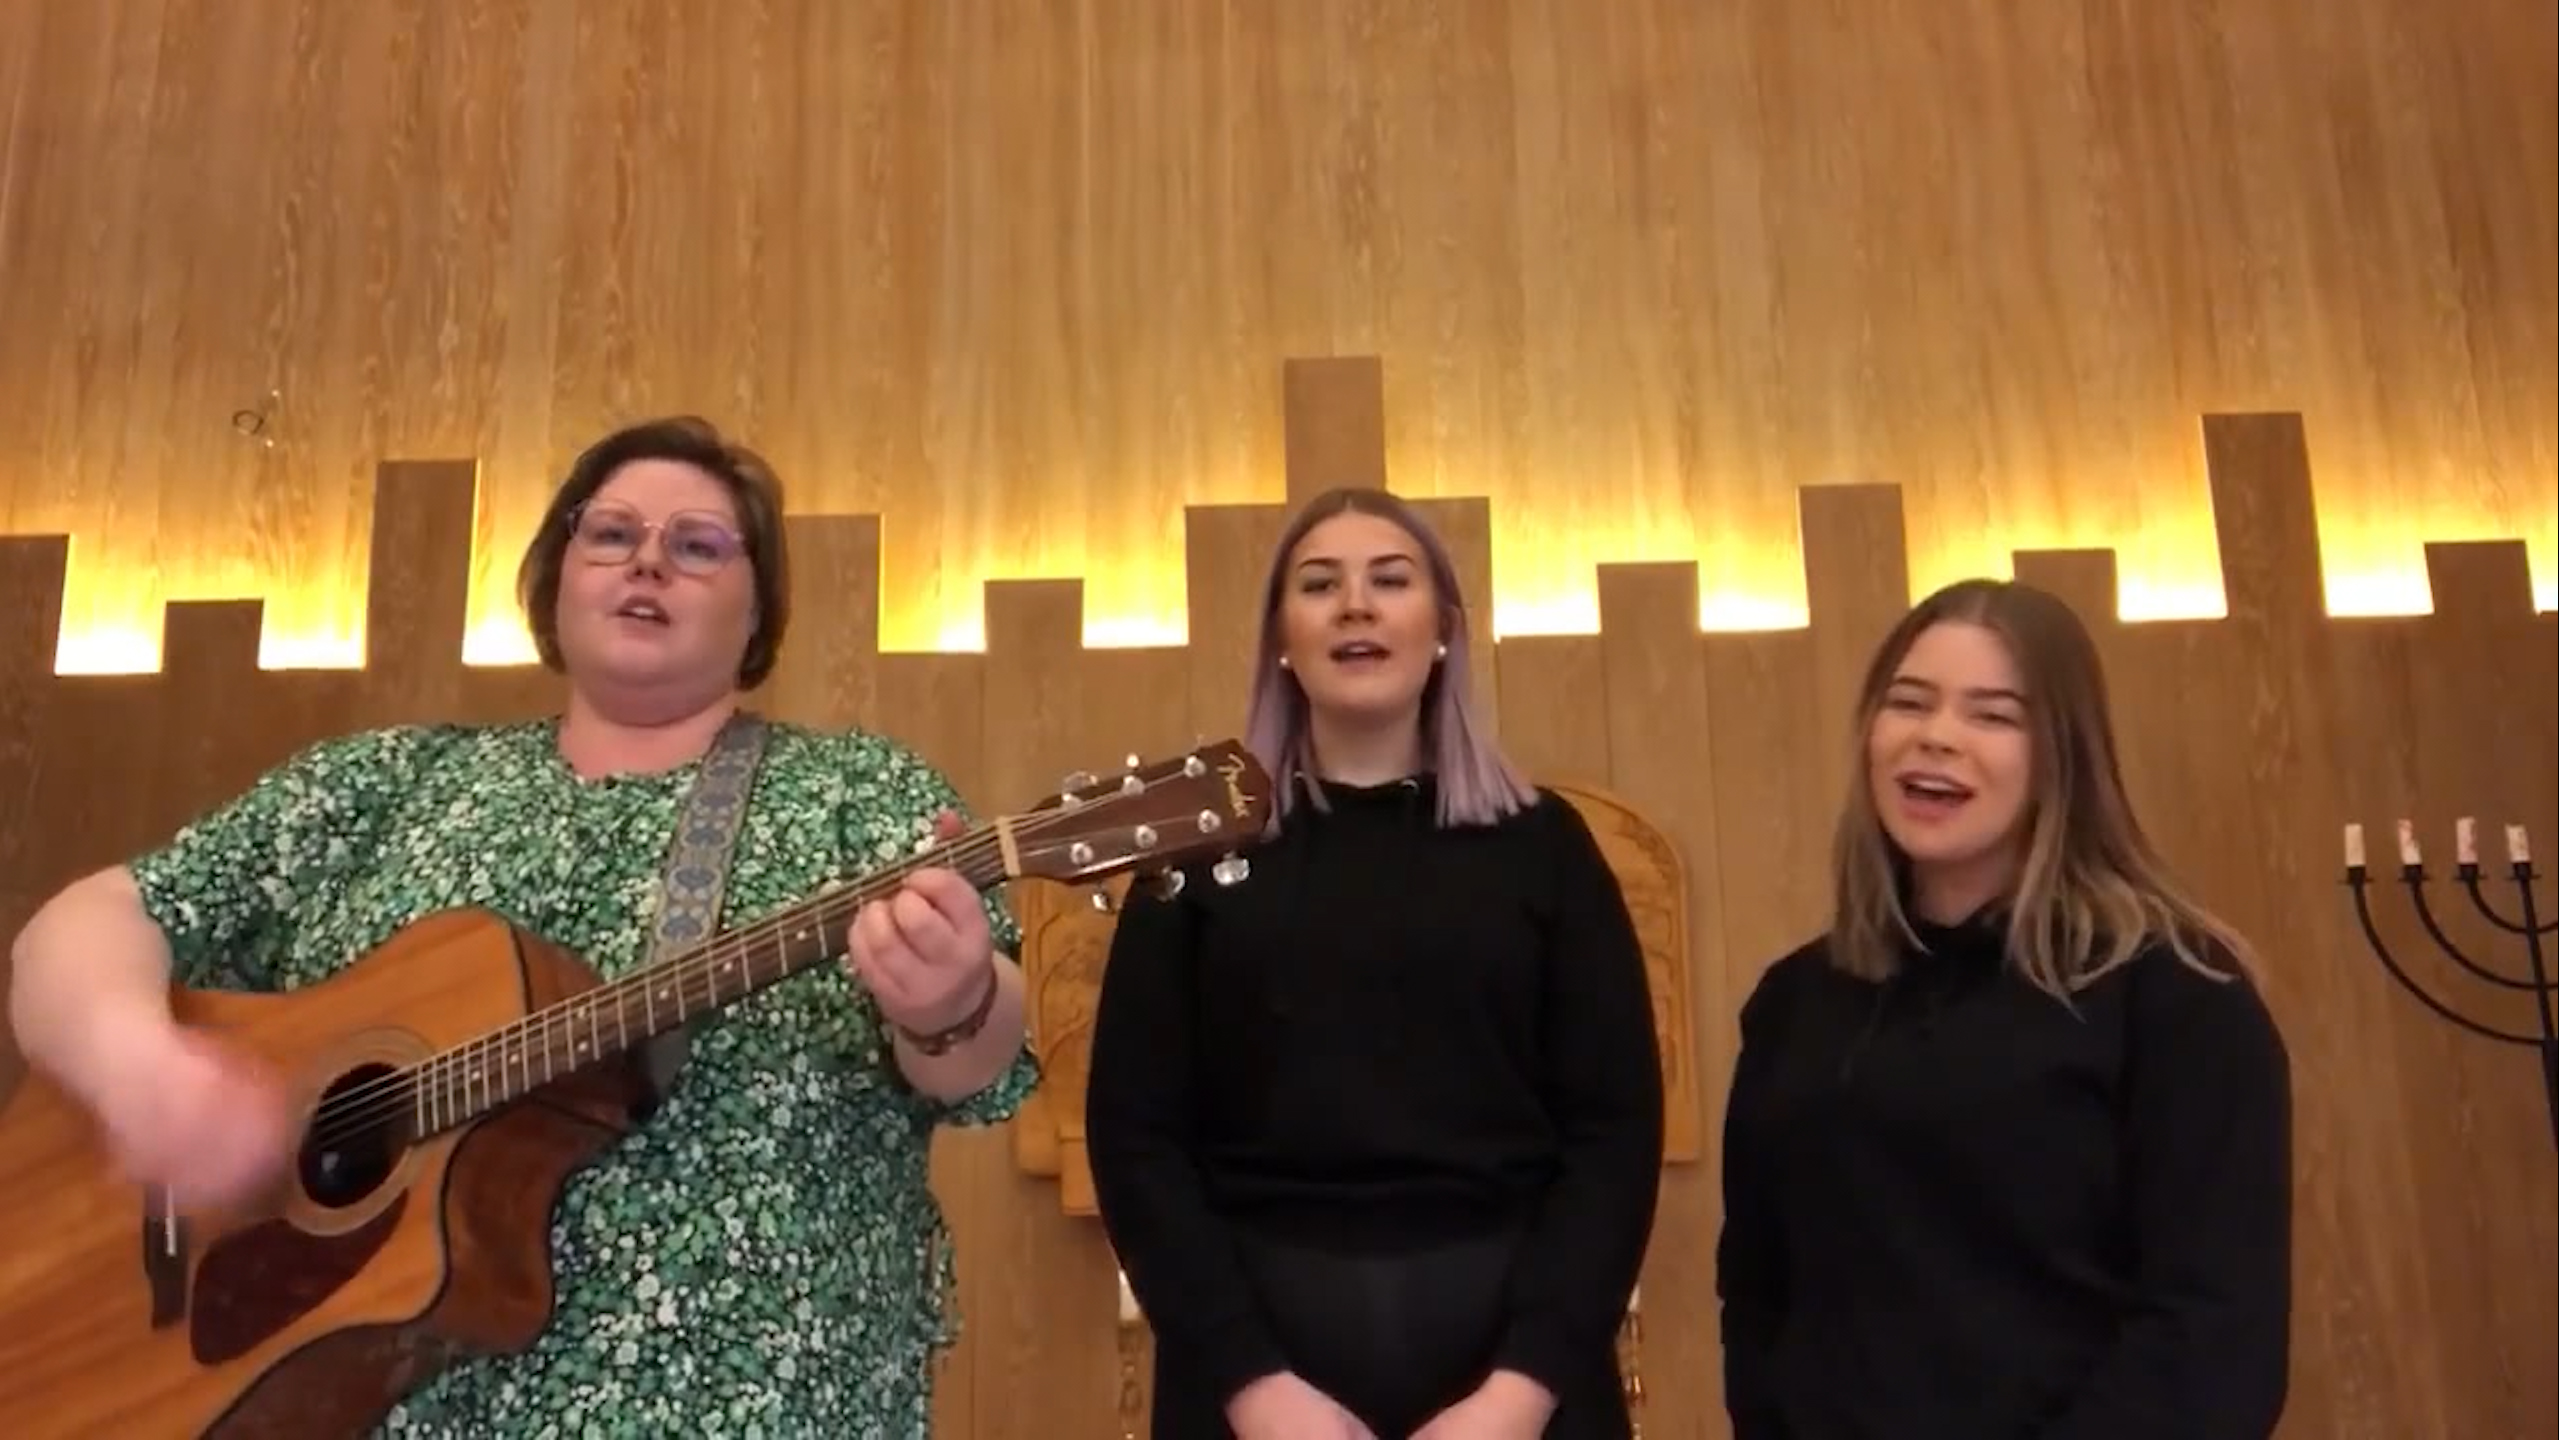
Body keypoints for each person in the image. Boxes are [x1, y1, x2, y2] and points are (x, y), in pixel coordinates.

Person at [6, 416, 1040, 1438]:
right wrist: (141, 1070)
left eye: (698, 545)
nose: (648, 562)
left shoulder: (859, 793)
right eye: (611, 533)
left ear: (759, 607)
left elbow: (978, 1063)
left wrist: (953, 1002)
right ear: (555, 576)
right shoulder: (383, 783)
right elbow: (87, 924)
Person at [1083, 486, 1666, 1440]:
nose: (1355, 605)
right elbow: (1136, 1140)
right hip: (1255, 1379)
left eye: (1389, 581)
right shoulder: (1194, 856)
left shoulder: (1545, 847)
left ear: (1444, 631)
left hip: (1514, 1376)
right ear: (1281, 639)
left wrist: (1519, 1396)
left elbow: (1614, 1133)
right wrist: (1251, 1386)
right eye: (1319, 585)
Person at [1714, 577, 2293, 1440]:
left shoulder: (2175, 994)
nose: (1936, 736)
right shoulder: (1794, 1001)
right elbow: (1757, 1294)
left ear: (2062, 757)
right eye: (1908, 703)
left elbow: (2212, 1335)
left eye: (1991, 715)